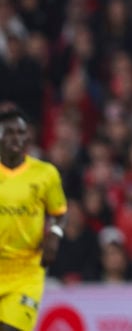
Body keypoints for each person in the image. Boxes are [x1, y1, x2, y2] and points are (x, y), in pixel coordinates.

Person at [0, 105, 68, 331]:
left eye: (21, 132)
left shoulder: (45, 174)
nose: (16, 138)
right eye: (9, 132)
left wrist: (55, 235)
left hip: (26, 270)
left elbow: (59, 213)